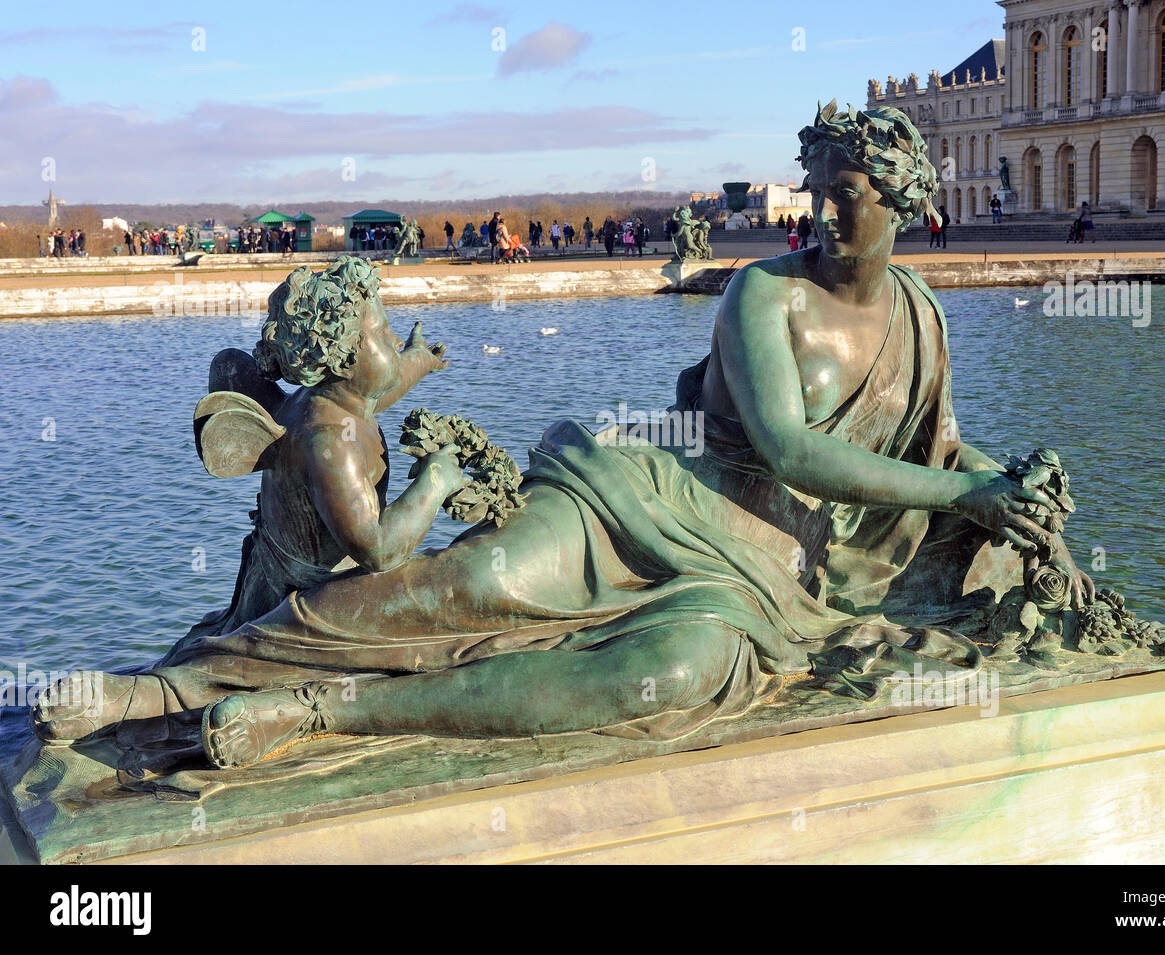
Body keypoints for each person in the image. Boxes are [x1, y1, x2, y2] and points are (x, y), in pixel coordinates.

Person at [37, 103, 1091, 767]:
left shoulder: (920, 310)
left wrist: (1007, 478)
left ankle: (318, 713)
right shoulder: (760, 296)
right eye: (818, 192)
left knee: (666, 679)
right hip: (660, 499)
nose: (822, 213)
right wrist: (965, 496)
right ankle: (163, 689)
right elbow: (787, 447)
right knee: (469, 583)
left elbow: (935, 448)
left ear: (903, 201)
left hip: (782, 576)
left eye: (847, 198)